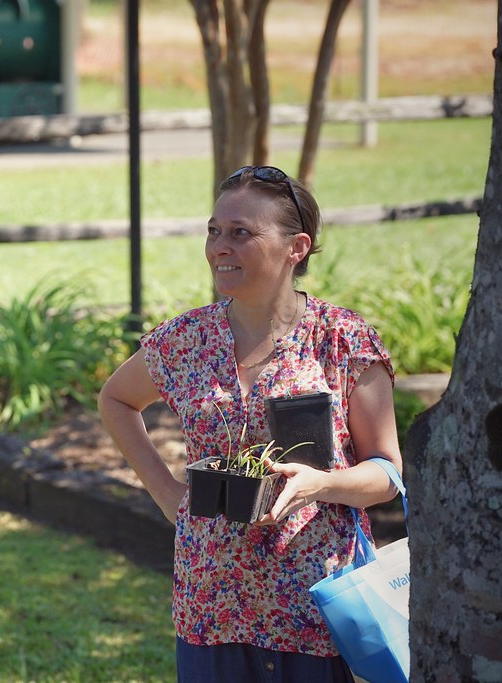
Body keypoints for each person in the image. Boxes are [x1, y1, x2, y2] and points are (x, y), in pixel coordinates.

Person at [98, 165, 403, 682]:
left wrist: (321, 484)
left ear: (296, 248)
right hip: (212, 604)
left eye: (241, 232)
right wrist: (168, 496)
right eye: (214, 230)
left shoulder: (342, 339)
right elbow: (116, 399)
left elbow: (387, 473)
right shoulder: (186, 339)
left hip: (314, 608)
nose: (220, 246)